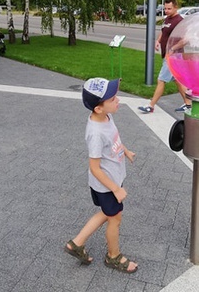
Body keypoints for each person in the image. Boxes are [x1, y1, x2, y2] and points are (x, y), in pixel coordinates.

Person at [65, 77, 138, 274]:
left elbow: (114, 138)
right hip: (107, 185)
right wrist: (116, 189)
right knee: (115, 218)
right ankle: (113, 257)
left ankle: (77, 243)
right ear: (98, 108)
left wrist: (125, 150)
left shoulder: (106, 117)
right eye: (113, 99)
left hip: (112, 180)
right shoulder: (95, 133)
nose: (118, 100)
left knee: (108, 213)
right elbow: (95, 168)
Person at [138, 0, 192, 113]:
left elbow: (186, 39)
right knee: (178, 80)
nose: (166, 11)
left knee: (161, 80)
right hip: (167, 55)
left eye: (169, 8)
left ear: (175, 7)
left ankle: (151, 106)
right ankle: (188, 104)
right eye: (165, 8)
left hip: (173, 57)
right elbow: (163, 32)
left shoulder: (179, 21)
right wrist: (158, 41)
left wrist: (172, 48)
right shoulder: (167, 19)